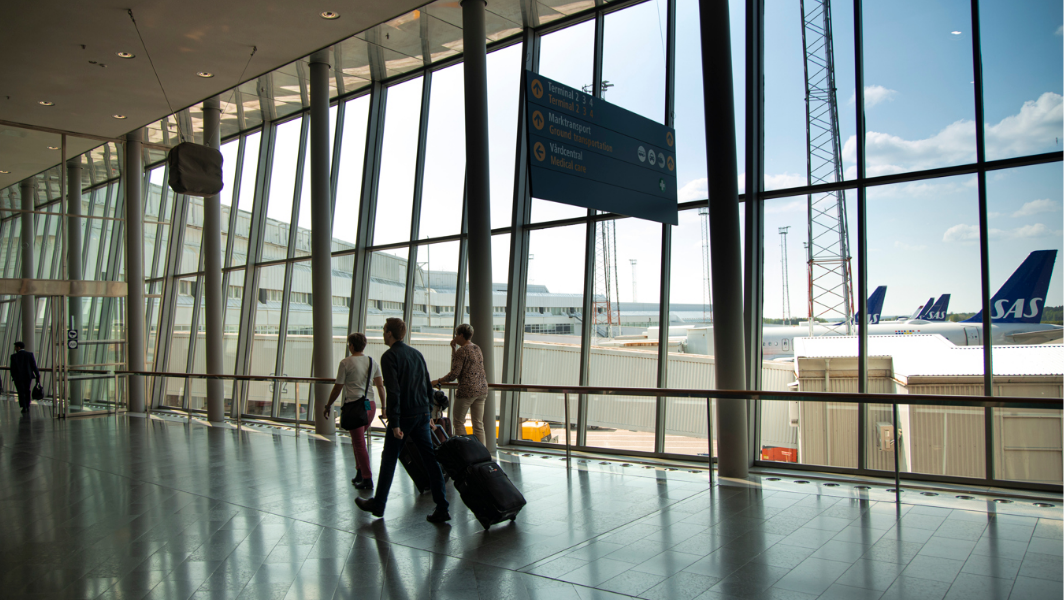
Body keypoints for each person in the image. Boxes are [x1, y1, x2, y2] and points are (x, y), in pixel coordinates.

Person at [355, 318, 450, 523]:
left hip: (405, 417)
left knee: (389, 458)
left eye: (383, 330)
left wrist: (395, 422)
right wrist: (428, 415)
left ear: (390, 333)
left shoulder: (389, 356)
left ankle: (379, 504)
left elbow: (394, 391)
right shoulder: (416, 354)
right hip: (421, 416)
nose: (382, 333)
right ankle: (442, 506)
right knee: (430, 460)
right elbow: (426, 387)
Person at [324, 332, 385, 490]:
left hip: (355, 406)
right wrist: (384, 407)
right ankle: (359, 472)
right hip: (369, 406)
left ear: (351, 345)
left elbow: (338, 387)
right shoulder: (372, 362)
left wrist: (329, 404)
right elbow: (380, 386)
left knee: (358, 443)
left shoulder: (346, 362)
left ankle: (367, 478)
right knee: (357, 440)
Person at [431, 323, 489, 446]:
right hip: (482, 390)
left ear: (461, 335)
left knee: (458, 422)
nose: (455, 338)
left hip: (467, 391)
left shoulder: (462, 351)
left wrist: (438, 381)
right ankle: (483, 452)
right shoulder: (477, 348)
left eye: (456, 335)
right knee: (478, 424)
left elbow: (454, 374)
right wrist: (454, 349)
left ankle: (465, 451)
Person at [10, 341, 41, 414]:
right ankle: (27, 405)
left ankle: (23, 406)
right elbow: (34, 366)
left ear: (18, 347)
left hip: (18, 378)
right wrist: (37, 375)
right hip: (28, 376)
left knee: (21, 392)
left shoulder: (14, 356)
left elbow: (12, 368)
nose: (15, 349)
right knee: (27, 390)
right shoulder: (29, 355)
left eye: (15, 347)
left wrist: (13, 376)